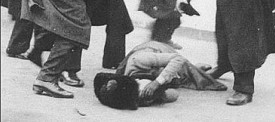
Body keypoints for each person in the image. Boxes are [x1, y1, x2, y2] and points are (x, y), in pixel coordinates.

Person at [93, 40, 227, 110]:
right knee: (176, 81)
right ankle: (194, 68)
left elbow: (177, 58)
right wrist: (158, 96)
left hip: (155, 50)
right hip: (155, 70)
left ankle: (194, 67)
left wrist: (157, 82)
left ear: (138, 79)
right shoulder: (133, 94)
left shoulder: (138, 60)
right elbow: (174, 94)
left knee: (180, 69)